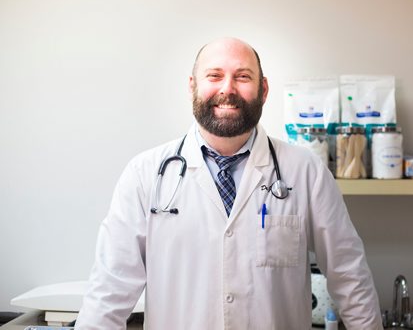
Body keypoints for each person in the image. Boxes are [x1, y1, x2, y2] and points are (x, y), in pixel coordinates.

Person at [75, 37, 383, 330]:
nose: (228, 88)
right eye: (214, 75)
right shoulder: (144, 174)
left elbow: (349, 276)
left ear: (263, 90)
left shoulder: (306, 172)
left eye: (243, 77)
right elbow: (110, 288)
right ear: (192, 86)